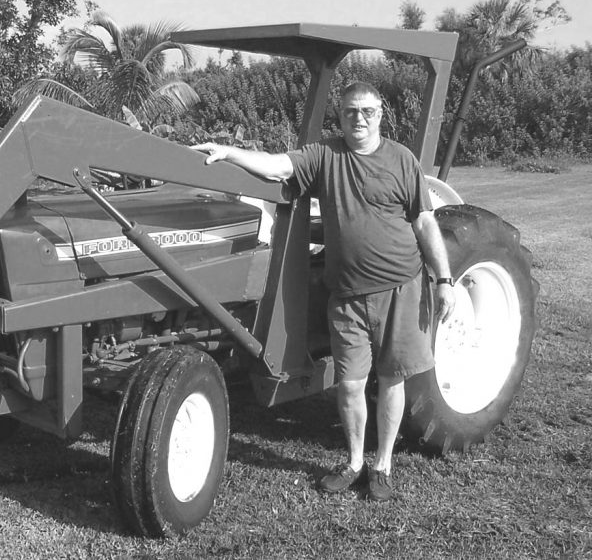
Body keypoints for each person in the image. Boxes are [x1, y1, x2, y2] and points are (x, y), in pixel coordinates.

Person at [192, 81, 455, 502]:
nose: (360, 119)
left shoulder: (401, 159)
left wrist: (443, 280)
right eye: (351, 111)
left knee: (392, 379)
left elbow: (424, 222)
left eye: (367, 111)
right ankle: (354, 463)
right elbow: (279, 166)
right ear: (341, 115)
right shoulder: (326, 156)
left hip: (400, 290)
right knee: (350, 384)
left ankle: (383, 465)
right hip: (348, 295)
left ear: (381, 113)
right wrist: (228, 152)